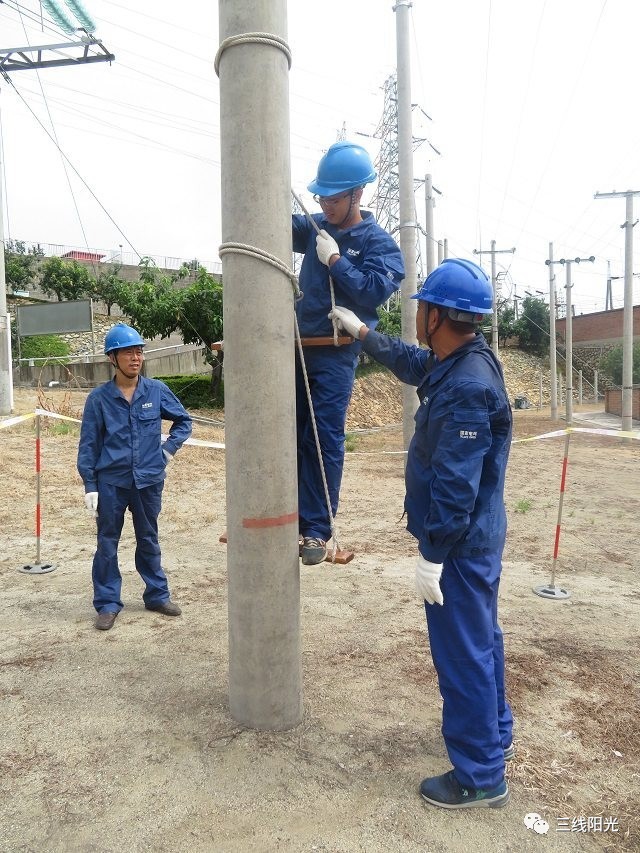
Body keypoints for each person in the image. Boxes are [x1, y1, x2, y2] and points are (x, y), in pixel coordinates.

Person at [329, 258, 514, 809]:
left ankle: (481, 775)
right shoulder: (462, 361)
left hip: (459, 545)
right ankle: (495, 733)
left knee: (462, 654)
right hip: (475, 538)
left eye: (421, 309)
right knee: (480, 643)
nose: (418, 320)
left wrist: (432, 553)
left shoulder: (465, 386)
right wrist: (364, 334)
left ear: (435, 316)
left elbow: (456, 487)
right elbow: (414, 363)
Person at [292, 141, 405, 565]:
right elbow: (270, 223)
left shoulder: (378, 243)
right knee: (290, 434)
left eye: (334, 198)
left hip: (336, 351)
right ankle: (287, 517)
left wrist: (336, 261)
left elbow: (376, 290)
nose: (325, 204)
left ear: (358, 195)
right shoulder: (315, 226)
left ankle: (317, 531)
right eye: (321, 197)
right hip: (299, 347)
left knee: (323, 438)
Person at [77, 323, 192, 631]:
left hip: (148, 481)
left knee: (148, 538)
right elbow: (89, 444)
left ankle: (156, 595)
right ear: (112, 358)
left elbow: (183, 421)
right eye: (128, 352)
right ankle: (107, 603)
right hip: (111, 483)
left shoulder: (155, 391)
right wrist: (90, 484)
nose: (135, 358)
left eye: (139, 351)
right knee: (107, 543)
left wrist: (167, 452)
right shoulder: (99, 400)